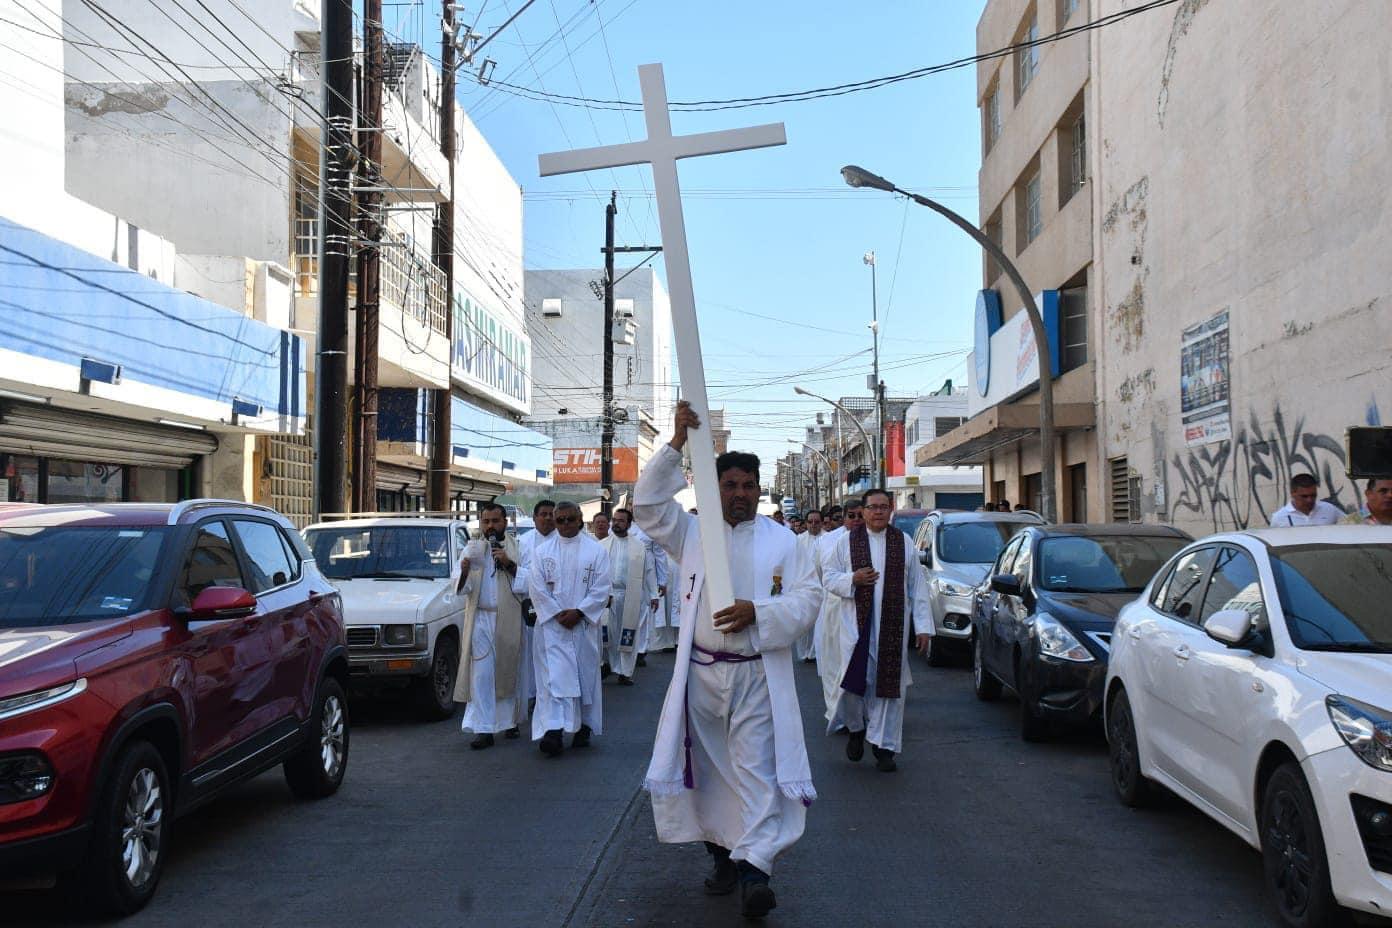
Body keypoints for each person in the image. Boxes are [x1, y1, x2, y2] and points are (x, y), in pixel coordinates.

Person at [634, 401, 821, 919]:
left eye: (748, 486)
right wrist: (674, 444)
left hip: (756, 675)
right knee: (711, 776)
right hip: (700, 676)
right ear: (715, 489)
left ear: (759, 490)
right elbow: (647, 506)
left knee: (757, 770)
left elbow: (807, 601)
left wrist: (757, 612)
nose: (740, 494)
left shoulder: (785, 542)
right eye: (731, 485)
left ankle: (756, 871)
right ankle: (722, 856)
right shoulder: (691, 533)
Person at [823, 488, 933, 773]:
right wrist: (854, 578)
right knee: (852, 686)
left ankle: (884, 748)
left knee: (888, 689)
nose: (878, 512)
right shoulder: (847, 543)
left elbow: (917, 587)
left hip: (891, 630)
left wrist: (923, 627)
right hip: (855, 628)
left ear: (890, 509)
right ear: (864, 510)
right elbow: (829, 578)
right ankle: (857, 729)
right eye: (873, 507)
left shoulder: (903, 542)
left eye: (884, 507)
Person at [527, 501, 611, 756]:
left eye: (569, 519)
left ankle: (583, 726)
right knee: (551, 680)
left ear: (579, 519)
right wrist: (554, 613)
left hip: (582, 628)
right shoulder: (543, 552)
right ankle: (553, 730)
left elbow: (602, 586)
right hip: (551, 628)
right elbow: (536, 586)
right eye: (559, 520)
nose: (564, 525)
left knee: (583, 678)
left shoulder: (595, 551)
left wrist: (580, 612)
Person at [456, 503, 527, 749]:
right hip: (480, 619)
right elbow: (460, 587)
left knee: (508, 670)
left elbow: (529, 583)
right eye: (486, 521)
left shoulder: (518, 547)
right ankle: (484, 728)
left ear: (505, 522)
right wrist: (464, 571)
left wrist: (507, 563)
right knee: (482, 674)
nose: (490, 526)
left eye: (495, 521)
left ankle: (509, 722)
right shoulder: (472, 548)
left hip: (508, 618)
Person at [816, 498, 864, 725]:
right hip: (835, 609)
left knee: (859, 664)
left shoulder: (873, 540)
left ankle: (859, 717)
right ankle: (837, 714)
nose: (856, 520)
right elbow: (822, 575)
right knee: (834, 665)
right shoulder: (829, 541)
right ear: (843, 518)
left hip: (865, 611)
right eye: (851, 516)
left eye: (859, 515)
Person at [600, 507, 658, 685]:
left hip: (630, 595)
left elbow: (649, 572)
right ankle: (608, 665)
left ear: (629, 524)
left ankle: (625, 672)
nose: (616, 523)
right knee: (608, 633)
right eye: (614, 520)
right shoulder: (603, 545)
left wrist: (654, 594)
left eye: (620, 520)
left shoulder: (639, 547)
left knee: (628, 635)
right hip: (608, 596)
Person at [516, 499, 558, 708]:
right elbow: (516, 573)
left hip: (557, 607)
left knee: (553, 654)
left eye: (552, 514)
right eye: (544, 514)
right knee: (530, 654)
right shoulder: (521, 543)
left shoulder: (563, 541)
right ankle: (532, 695)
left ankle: (552, 695)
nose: (548, 518)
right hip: (529, 606)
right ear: (534, 518)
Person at [794, 509, 825, 663]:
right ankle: (804, 652)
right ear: (806, 523)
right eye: (810, 522)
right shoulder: (798, 540)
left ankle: (815, 652)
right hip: (803, 587)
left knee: (819, 623)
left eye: (817, 522)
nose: (813, 525)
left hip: (823, 586)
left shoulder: (828, 539)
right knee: (804, 622)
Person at [1269, 474, 1344, 526]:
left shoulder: (1330, 509)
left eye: (1313, 495)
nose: (1309, 500)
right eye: (1304, 496)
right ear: (1292, 493)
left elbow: (1350, 525)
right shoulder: (1279, 518)